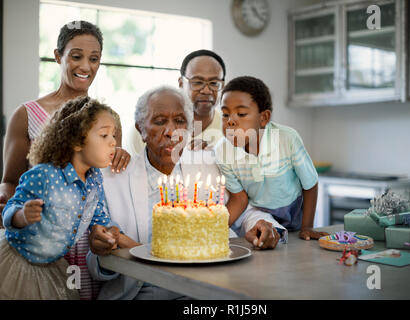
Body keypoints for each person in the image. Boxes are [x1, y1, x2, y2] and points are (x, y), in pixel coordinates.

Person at [87, 85, 280, 299]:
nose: (172, 132)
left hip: (205, 289)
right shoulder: (113, 178)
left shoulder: (208, 164)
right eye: (160, 121)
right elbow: (96, 265)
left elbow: (243, 210)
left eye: (180, 121)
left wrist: (262, 225)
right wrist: (100, 249)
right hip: (141, 293)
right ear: (141, 129)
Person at [0, 21, 130, 299]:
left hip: (87, 244)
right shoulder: (26, 115)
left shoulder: (106, 121)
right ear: (58, 56)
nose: (86, 66)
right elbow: (10, 181)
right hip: (38, 239)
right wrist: (16, 213)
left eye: (94, 59)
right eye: (76, 56)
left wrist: (122, 154)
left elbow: (106, 188)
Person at [215, 76, 329, 244]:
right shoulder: (222, 150)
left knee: (297, 251)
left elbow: (310, 184)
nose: (230, 121)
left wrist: (307, 227)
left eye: (241, 114)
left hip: (294, 211)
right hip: (261, 213)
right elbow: (239, 199)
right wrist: (214, 231)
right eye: (225, 114)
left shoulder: (287, 138)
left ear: (264, 118)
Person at [127, 49, 226, 156]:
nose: (206, 90)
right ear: (181, 83)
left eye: (214, 83)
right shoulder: (146, 129)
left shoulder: (230, 131)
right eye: (197, 82)